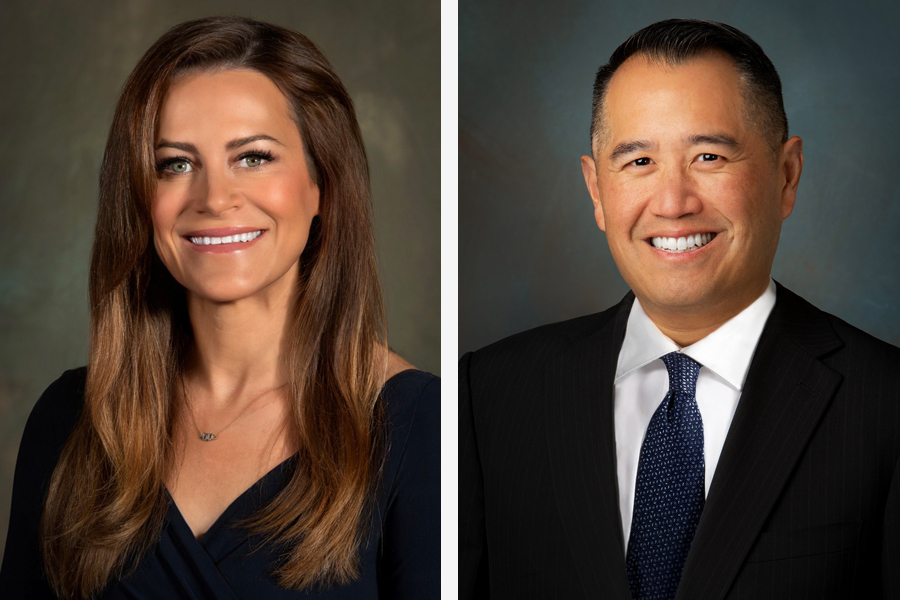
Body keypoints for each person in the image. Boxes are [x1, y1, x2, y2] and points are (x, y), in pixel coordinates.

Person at [0, 16, 439, 600]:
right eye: (175, 164)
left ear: (321, 186)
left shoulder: (422, 428)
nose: (214, 199)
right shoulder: (69, 421)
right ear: (139, 197)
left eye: (253, 157)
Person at [459, 18, 900, 599]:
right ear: (596, 189)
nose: (673, 203)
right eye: (638, 162)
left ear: (786, 175)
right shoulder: (488, 397)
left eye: (710, 156)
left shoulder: (886, 406)